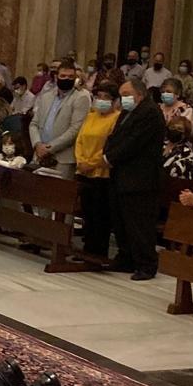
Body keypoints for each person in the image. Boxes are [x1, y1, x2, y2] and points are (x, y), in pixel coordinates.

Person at [103, 78, 166, 281]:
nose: (124, 99)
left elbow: (134, 142)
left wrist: (111, 157)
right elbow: (116, 135)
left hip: (140, 178)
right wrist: (107, 153)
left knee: (139, 224)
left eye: (127, 95)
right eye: (122, 96)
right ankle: (126, 257)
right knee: (121, 221)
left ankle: (146, 264)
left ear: (139, 94)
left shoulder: (150, 112)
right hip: (121, 174)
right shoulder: (128, 111)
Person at [74, 82, 122, 258]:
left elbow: (109, 148)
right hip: (84, 171)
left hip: (102, 173)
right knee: (87, 213)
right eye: (99, 97)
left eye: (106, 98)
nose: (101, 100)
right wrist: (80, 161)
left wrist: (92, 163)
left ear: (115, 101)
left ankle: (98, 251)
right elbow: (80, 139)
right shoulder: (91, 116)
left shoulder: (116, 118)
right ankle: (86, 249)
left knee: (99, 215)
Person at [28, 63, 90, 180]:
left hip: (63, 158)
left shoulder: (81, 97)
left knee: (58, 195)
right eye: (63, 76)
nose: (67, 79)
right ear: (56, 77)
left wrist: (49, 148)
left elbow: (75, 129)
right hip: (39, 154)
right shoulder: (46, 96)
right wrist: (37, 144)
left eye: (71, 77)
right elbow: (34, 124)